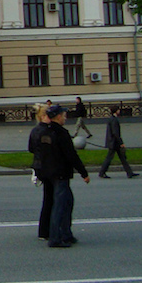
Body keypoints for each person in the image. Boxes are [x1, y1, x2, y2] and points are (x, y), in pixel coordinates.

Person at [38, 104, 90, 248]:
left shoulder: (45, 132)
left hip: (49, 173)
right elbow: (71, 155)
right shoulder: (61, 133)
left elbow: (41, 154)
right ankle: (55, 237)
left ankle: (66, 234)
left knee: (67, 202)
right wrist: (83, 173)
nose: (65, 117)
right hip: (60, 173)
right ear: (58, 116)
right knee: (60, 206)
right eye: (64, 115)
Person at [28, 103, 54, 240]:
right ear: (43, 116)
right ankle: (48, 230)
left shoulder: (34, 130)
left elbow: (31, 148)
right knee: (52, 199)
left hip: (38, 166)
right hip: (47, 166)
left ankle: (43, 230)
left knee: (47, 198)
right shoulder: (47, 131)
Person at [98, 105, 139, 179]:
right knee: (109, 158)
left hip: (113, 142)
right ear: (116, 111)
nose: (119, 111)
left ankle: (129, 173)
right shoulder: (114, 120)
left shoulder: (112, 119)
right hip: (114, 143)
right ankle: (102, 172)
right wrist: (121, 143)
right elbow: (115, 133)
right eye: (118, 110)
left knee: (122, 158)